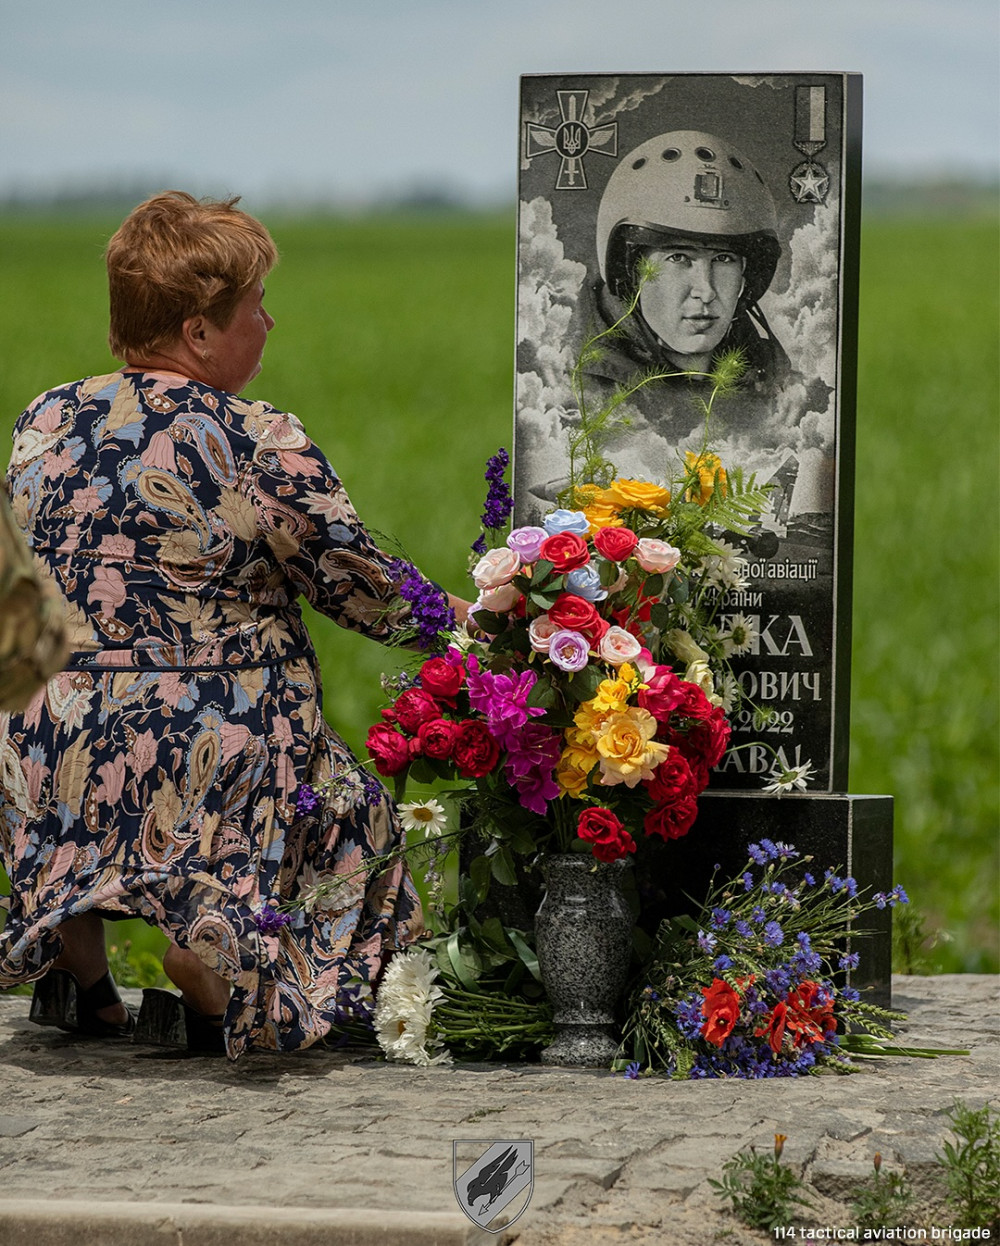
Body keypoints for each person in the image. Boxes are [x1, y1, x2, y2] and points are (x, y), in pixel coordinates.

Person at [0, 191, 471, 1059]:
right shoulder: (256, 439)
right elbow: (358, 585)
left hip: (44, 748)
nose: (270, 321)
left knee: (72, 720)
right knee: (349, 813)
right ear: (200, 333)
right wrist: (478, 628)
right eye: (255, 307)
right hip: (213, 755)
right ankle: (211, 957)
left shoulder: (42, 422)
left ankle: (80, 965)